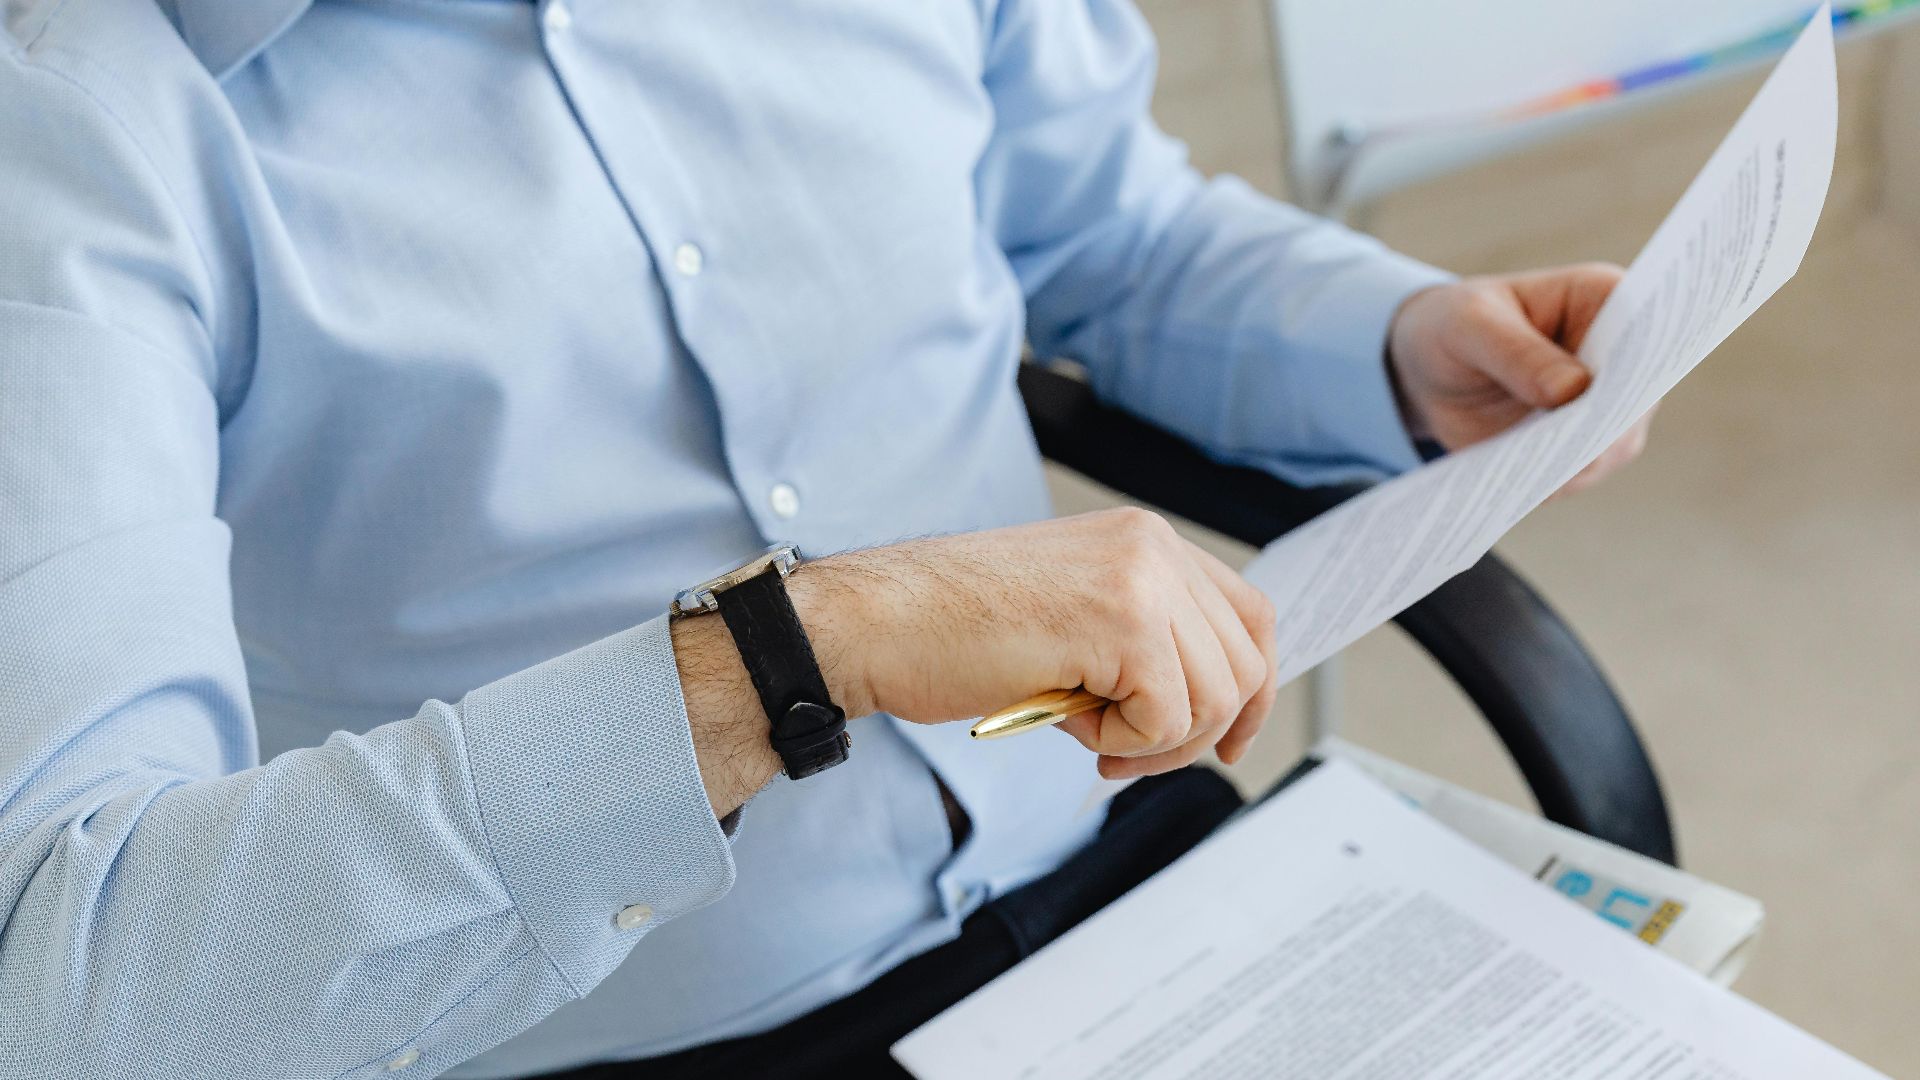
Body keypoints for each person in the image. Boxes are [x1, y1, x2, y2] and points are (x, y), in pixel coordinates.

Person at [0, 1, 1651, 1077]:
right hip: (629, 1039)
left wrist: (1396, 336)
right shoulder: (72, 134)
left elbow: (1105, 229)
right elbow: (75, 986)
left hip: (1129, 881)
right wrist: (787, 657)